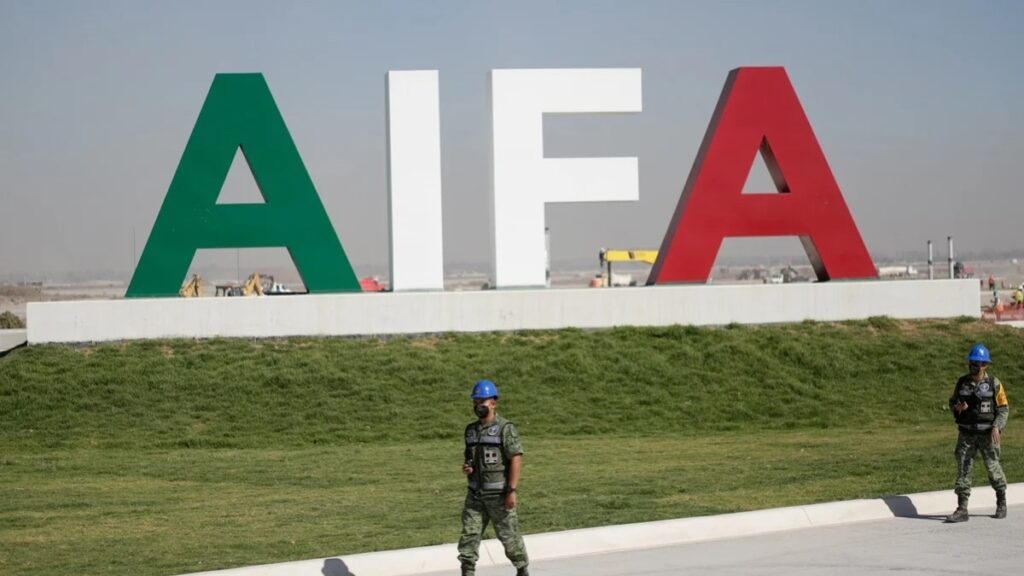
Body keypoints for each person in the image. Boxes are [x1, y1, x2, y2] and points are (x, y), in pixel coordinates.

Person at [457, 379, 529, 576]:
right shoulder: (470, 430)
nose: (478, 405)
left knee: (510, 539)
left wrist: (512, 491)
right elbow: (469, 457)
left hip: (499, 496)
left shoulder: (505, 429)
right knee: (468, 539)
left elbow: (516, 458)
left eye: (482, 401)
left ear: (493, 403)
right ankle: (467, 572)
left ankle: (522, 570)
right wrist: (467, 467)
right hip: (475, 496)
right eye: (475, 402)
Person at [946, 344, 1009, 522]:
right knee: (963, 468)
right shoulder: (962, 383)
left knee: (992, 468)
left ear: (985, 365)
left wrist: (997, 426)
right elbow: (952, 403)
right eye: (972, 362)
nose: (974, 365)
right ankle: (962, 508)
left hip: (987, 434)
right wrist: (957, 407)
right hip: (966, 433)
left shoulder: (994, 384)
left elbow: (1003, 408)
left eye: (979, 363)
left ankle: (1001, 502)